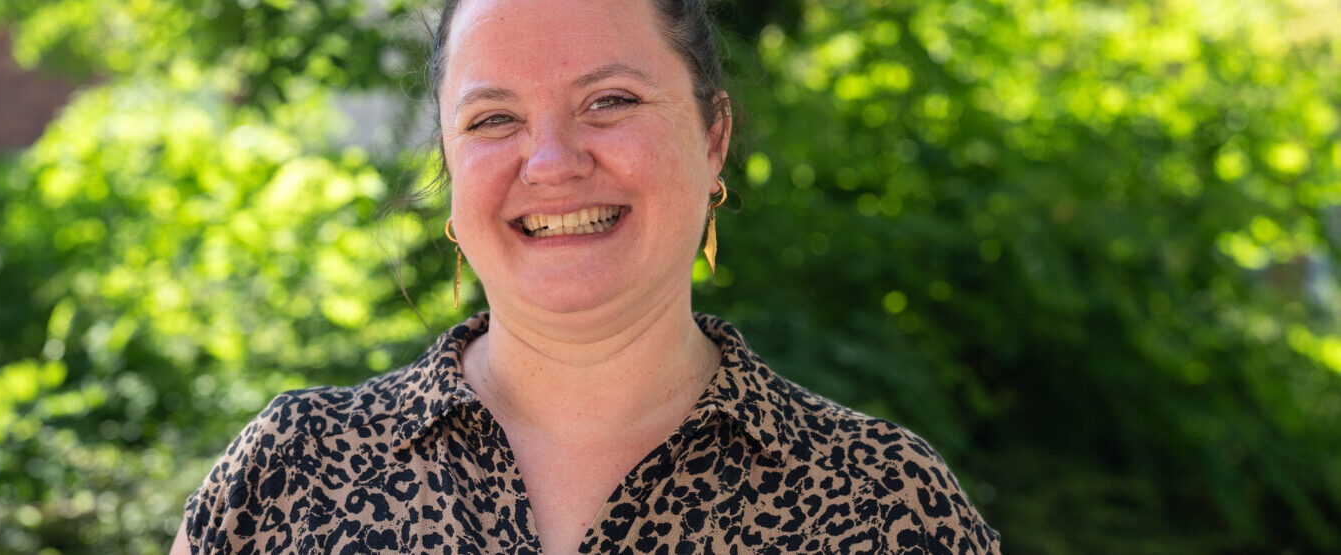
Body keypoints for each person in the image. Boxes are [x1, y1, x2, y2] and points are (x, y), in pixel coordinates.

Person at [172, 0, 1001, 552]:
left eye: (609, 101)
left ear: (713, 140)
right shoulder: (288, 477)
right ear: (450, 173)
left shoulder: (884, 504)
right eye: (494, 119)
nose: (552, 163)